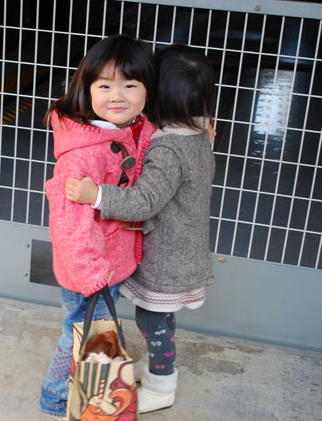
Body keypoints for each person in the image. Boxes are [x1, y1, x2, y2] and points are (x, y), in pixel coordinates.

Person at [65, 44, 216, 414]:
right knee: (161, 318)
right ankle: (154, 366)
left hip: (168, 256)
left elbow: (145, 201)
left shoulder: (168, 149)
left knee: (152, 319)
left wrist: (97, 194)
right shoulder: (200, 132)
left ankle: (162, 384)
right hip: (186, 250)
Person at [40, 34, 158, 419]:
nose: (117, 96)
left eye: (130, 85)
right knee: (79, 333)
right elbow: (69, 225)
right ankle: (55, 397)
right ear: (86, 88)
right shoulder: (82, 156)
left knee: (92, 334)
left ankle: (75, 393)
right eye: (104, 86)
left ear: (147, 90)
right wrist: (91, 275)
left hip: (110, 264)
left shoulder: (129, 130)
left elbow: (147, 138)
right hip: (89, 271)